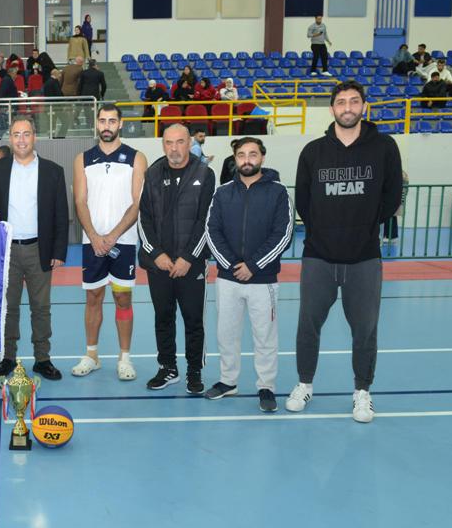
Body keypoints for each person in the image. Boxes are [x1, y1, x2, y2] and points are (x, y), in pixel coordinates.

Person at [287, 80, 403, 423]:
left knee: (365, 329)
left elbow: (392, 195)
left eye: (354, 101)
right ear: (332, 108)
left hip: (364, 256)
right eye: (341, 102)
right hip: (318, 255)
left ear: (364, 106)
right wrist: (326, 230)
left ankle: (362, 392)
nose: (347, 107)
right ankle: (304, 384)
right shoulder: (313, 151)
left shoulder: (384, 147)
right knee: (308, 325)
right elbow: (304, 200)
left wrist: (364, 225)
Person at [0, 115, 68, 382]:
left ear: (34, 137)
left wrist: (59, 252)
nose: (21, 140)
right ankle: (8, 358)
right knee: (9, 307)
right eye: (16, 134)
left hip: (40, 248)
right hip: (7, 251)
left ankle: (42, 359)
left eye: (26, 134)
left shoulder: (53, 171)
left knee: (41, 307)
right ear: (10, 138)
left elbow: (61, 214)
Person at [204, 137, 292, 413]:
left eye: (252, 154)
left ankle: (266, 386)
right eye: (241, 154)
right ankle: (228, 381)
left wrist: (253, 266)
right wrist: (232, 265)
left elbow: (283, 233)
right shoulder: (222, 193)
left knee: (265, 336)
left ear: (262, 157)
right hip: (228, 279)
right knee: (226, 333)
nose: (247, 159)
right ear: (235, 159)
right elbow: (212, 231)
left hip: (263, 280)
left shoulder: (278, 192)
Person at [72, 104, 148, 381]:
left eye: (112, 121)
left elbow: (137, 203)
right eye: (102, 121)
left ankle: (124, 358)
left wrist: (113, 235)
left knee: (122, 297)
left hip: (123, 241)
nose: (106, 126)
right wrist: (94, 235)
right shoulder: (82, 159)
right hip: (92, 242)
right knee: (93, 297)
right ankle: (91, 355)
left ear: (120, 124)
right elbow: (80, 200)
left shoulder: (136, 157)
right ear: (97, 124)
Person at [138, 123, 215, 392]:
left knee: (193, 319)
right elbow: (144, 218)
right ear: (163, 145)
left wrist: (188, 258)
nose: (174, 148)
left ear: (189, 142)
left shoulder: (205, 173)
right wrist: (156, 253)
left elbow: (206, 220)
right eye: (169, 143)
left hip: (191, 264)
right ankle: (167, 368)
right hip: (159, 264)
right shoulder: (152, 173)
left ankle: (194, 371)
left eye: (180, 142)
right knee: (163, 317)